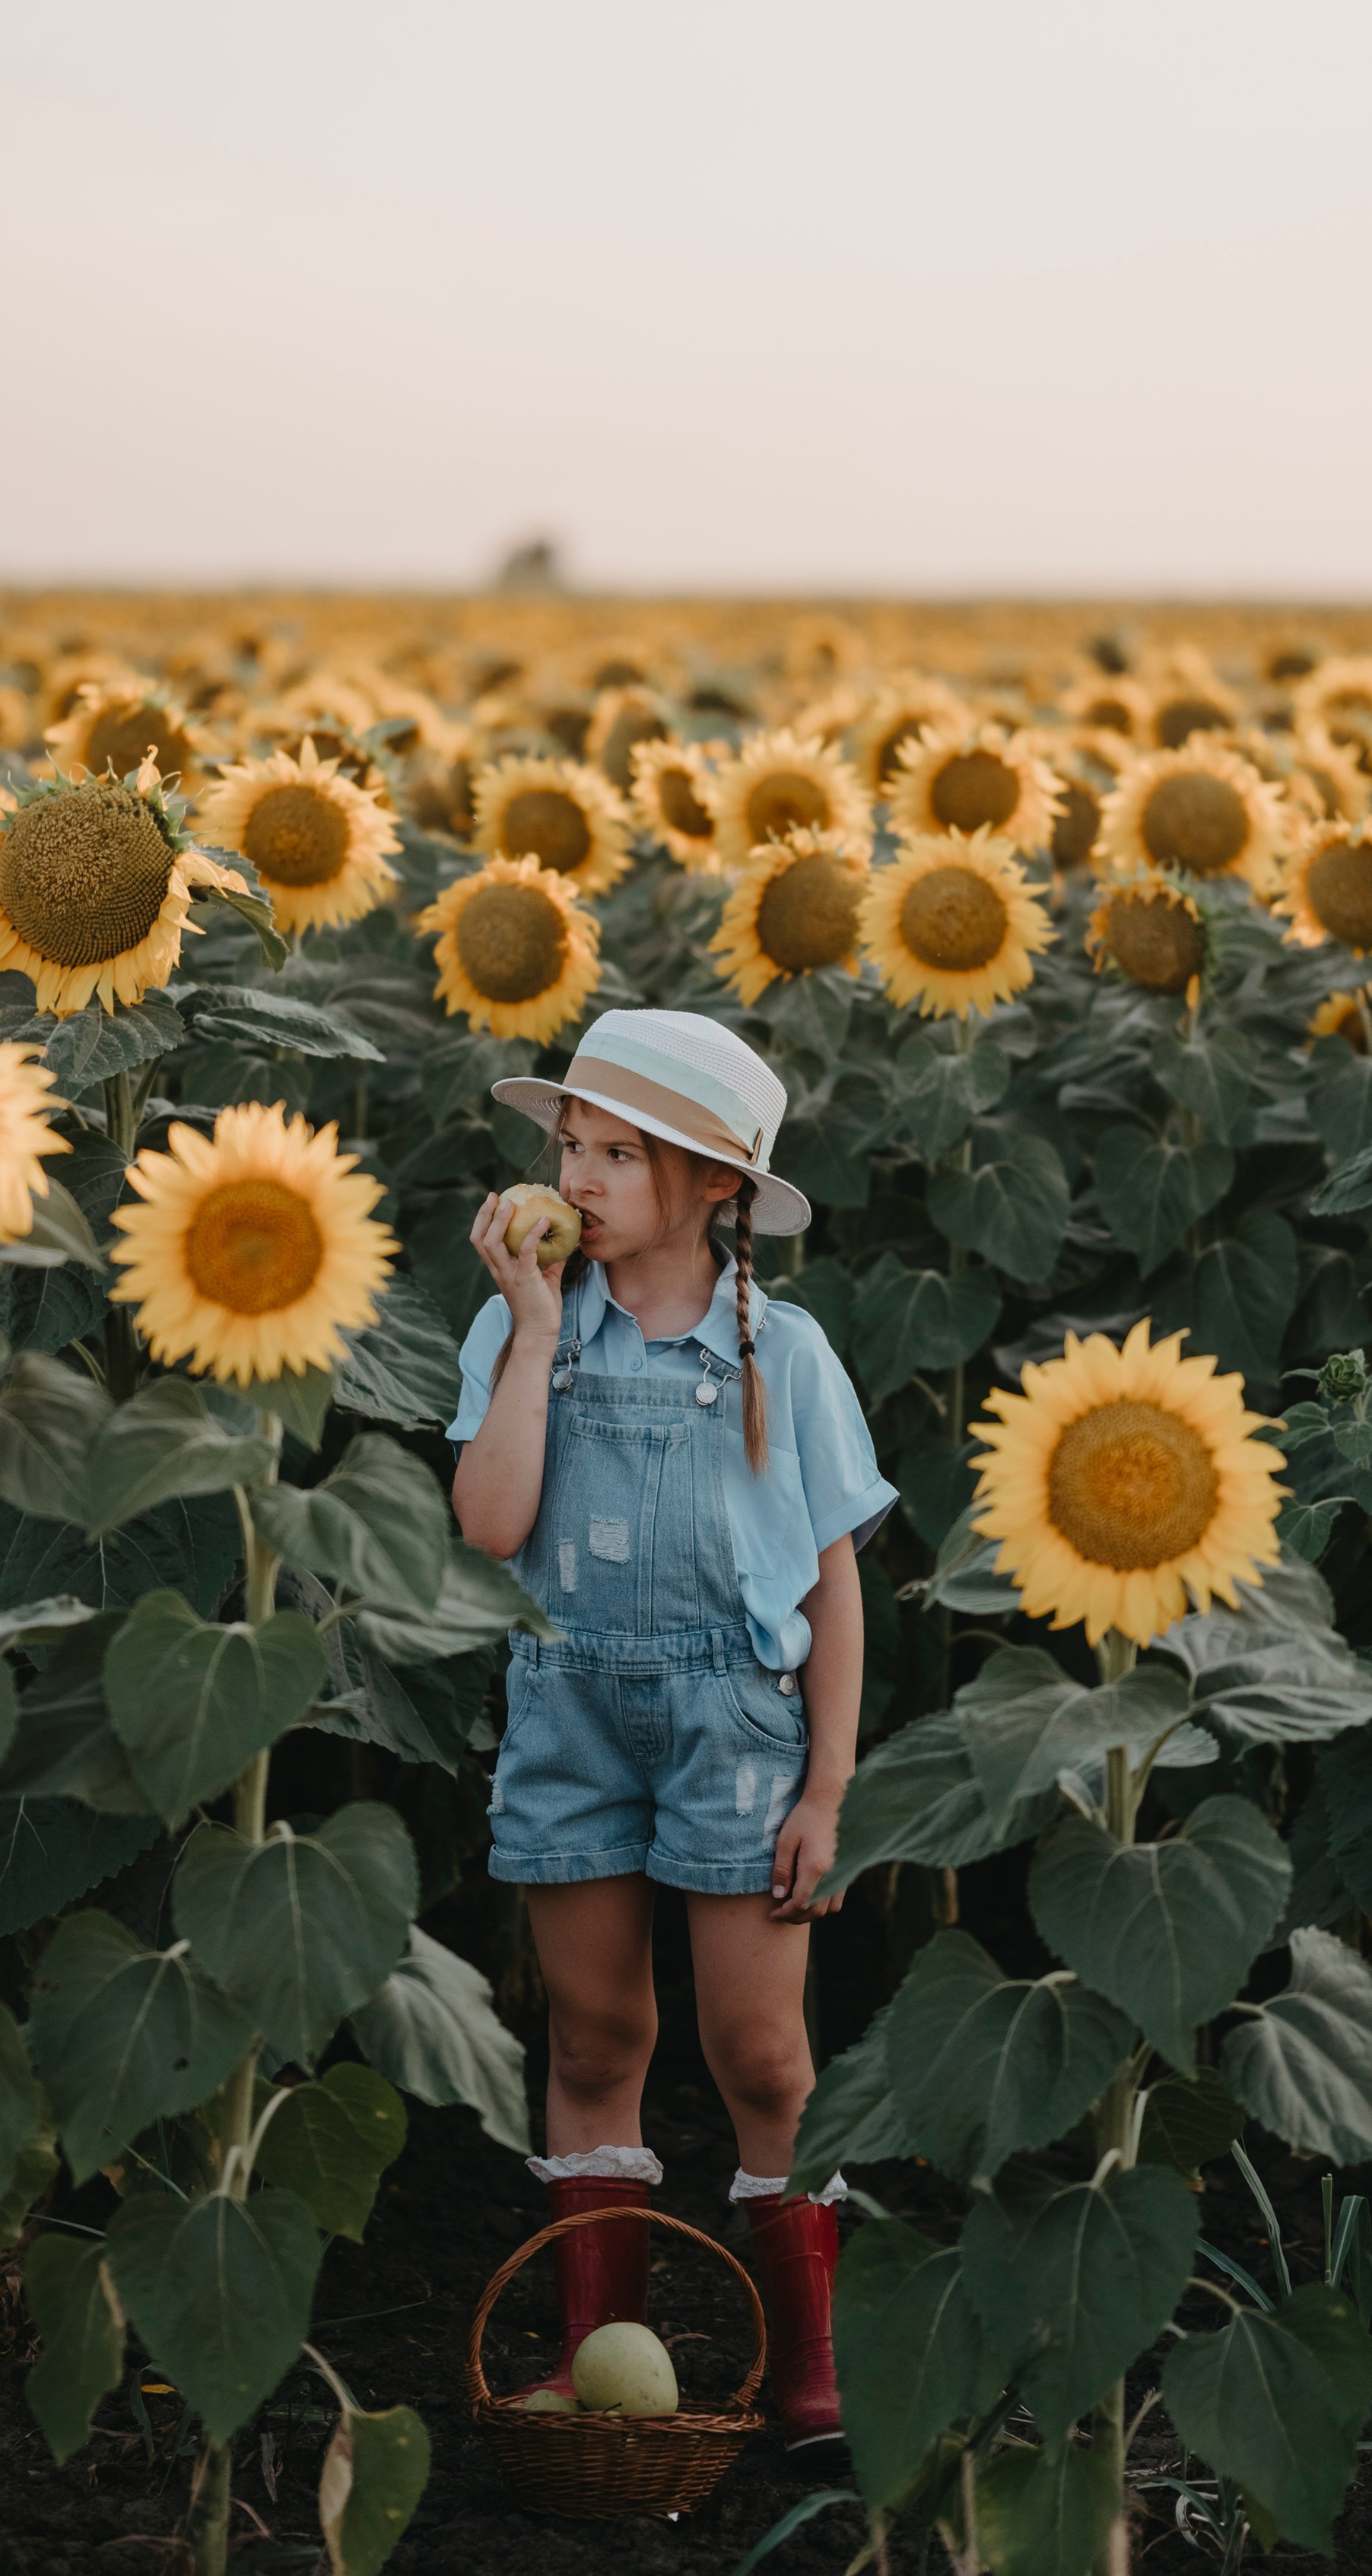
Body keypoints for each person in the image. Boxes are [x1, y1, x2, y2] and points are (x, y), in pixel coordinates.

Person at [449, 1008, 895, 2455]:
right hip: (568, 1707)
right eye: (569, 1147)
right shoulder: (523, 1329)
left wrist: (830, 1788)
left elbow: (831, 1586)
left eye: (617, 1155)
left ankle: (811, 2357)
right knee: (593, 2037)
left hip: (739, 1726)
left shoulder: (786, 1354)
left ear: (714, 1184)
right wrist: (531, 1332)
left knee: (760, 2052)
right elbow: (491, 1527)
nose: (575, 1179)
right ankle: (601, 2357)